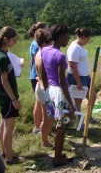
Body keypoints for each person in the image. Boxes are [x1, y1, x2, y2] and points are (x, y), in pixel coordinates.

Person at [40, 24, 75, 167]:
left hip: (51, 91)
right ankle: (57, 159)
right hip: (61, 93)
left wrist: (47, 88)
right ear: (60, 37)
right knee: (62, 127)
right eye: (67, 36)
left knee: (58, 124)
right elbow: (62, 81)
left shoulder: (45, 50)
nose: (68, 39)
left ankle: (59, 153)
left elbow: (42, 72)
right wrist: (71, 104)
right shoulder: (60, 56)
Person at [0, 26, 24, 165]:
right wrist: (14, 100)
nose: (15, 43)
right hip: (7, 98)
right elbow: (4, 82)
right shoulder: (2, 57)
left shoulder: (1, 54)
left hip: (4, 98)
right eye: (14, 40)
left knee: (3, 125)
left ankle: (5, 152)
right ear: (5, 39)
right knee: (8, 128)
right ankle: (10, 158)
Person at [66, 28, 98, 124]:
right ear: (83, 37)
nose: (88, 41)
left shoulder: (80, 46)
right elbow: (72, 65)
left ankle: (89, 117)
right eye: (88, 39)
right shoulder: (74, 48)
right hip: (77, 78)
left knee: (93, 97)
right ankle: (77, 123)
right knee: (78, 101)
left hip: (85, 76)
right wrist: (78, 81)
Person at [34, 29, 55, 148]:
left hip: (41, 88)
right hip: (45, 89)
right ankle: (45, 141)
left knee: (46, 117)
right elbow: (46, 76)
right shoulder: (44, 56)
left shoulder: (38, 52)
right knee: (48, 118)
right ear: (44, 44)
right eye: (50, 43)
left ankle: (45, 136)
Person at [28, 22, 48, 134]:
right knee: (40, 103)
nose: (49, 30)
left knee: (39, 102)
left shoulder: (35, 43)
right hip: (37, 76)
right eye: (47, 28)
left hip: (37, 76)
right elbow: (38, 62)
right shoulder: (36, 44)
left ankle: (40, 127)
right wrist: (40, 77)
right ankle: (38, 127)